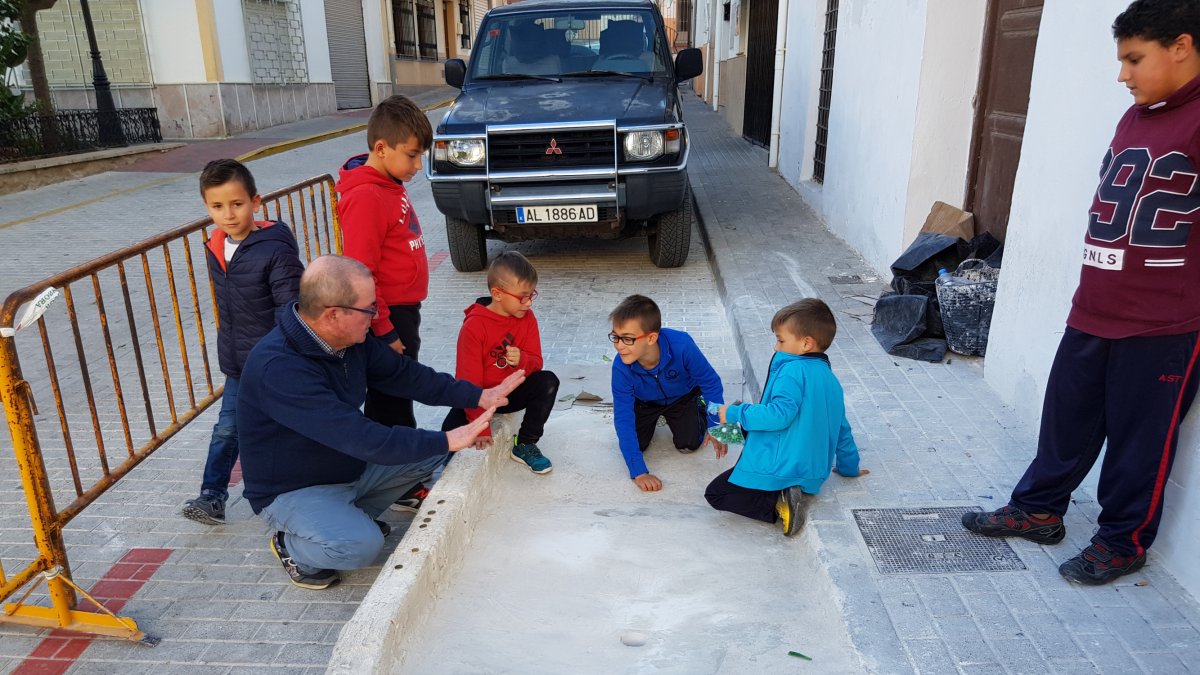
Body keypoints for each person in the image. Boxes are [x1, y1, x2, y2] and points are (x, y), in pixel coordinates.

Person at [962, 0, 1200, 585]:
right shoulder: (1136, 116)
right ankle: (1039, 510)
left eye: (1134, 59)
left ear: (1182, 46)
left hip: (1162, 327)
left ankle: (1122, 542)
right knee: (1065, 421)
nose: (1123, 74)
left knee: (1138, 444)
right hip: (1095, 307)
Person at [237, 255, 524, 589]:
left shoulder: (348, 339)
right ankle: (292, 545)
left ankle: (352, 515)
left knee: (432, 450)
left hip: (348, 466)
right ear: (334, 314)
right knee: (361, 547)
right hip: (294, 488)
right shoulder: (278, 368)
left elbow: (406, 375)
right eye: (369, 309)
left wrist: (478, 396)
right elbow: (361, 437)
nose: (375, 316)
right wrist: (449, 439)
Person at [181, 159, 304, 526]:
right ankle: (212, 497)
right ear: (207, 207)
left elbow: (289, 305)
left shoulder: (274, 248)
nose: (228, 214)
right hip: (239, 363)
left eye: (237, 204)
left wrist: (283, 354)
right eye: (217, 207)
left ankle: (301, 491)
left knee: (288, 428)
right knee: (227, 428)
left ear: (255, 201)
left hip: (274, 361)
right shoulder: (216, 246)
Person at [336, 94, 434, 511]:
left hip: (402, 312)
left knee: (396, 394)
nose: (417, 166)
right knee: (392, 399)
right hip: (386, 319)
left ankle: (396, 475)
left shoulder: (389, 184)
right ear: (381, 149)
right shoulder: (365, 197)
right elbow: (362, 272)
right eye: (411, 156)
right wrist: (386, 329)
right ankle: (400, 481)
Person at [704, 299, 868, 536]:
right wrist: (849, 467)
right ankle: (786, 492)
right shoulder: (830, 379)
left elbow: (778, 415)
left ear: (805, 343)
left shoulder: (792, 371)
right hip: (813, 473)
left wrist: (733, 412)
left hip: (783, 468)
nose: (776, 347)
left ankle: (779, 501)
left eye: (781, 340)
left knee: (716, 494)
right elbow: (842, 428)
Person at [442, 252, 560, 474]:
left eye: (532, 294)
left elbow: (537, 363)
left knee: (548, 382)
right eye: (523, 296)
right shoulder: (474, 327)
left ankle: (526, 443)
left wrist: (522, 359)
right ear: (497, 293)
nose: (529, 302)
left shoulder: (528, 317)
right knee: (448, 434)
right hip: (477, 395)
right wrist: (481, 427)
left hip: (509, 394)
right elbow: (468, 382)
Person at [609, 294, 726, 492]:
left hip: (683, 397)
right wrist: (638, 472)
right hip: (644, 403)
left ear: (651, 338)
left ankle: (700, 408)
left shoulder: (682, 345)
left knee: (688, 445)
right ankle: (659, 418)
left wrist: (718, 427)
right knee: (638, 446)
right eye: (615, 336)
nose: (619, 345)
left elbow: (711, 383)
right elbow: (623, 417)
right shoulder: (621, 367)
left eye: (627, 339)